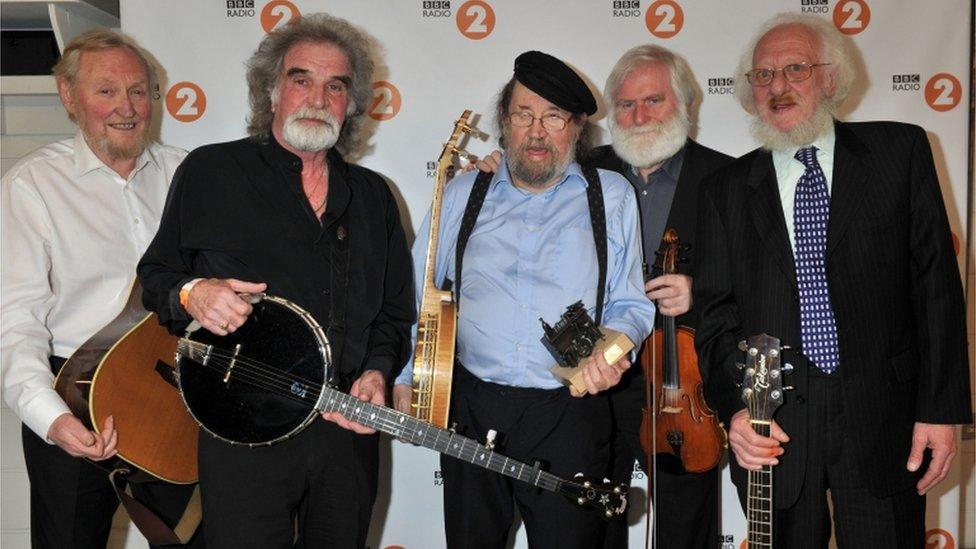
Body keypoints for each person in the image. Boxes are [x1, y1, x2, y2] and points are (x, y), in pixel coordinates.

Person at [136, 13, 414, 548]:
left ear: (351, 103)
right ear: (271, 92)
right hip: (242, 431)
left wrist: (378, 373)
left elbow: (392, 313)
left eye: (336, 85)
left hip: (345, 431)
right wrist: (196, 294)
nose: (318, 96)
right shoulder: (211, 172)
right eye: (300, 79)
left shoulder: (374, 196)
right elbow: (157, 276)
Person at [694, 12, 971, 547]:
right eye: (764, 75)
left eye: (796, 68)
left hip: (883, 417)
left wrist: (940, 410)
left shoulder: (901, 152)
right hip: (771, 424)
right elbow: (714, 317)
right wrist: (735, 408)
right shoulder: (724, 189)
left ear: (830, 78)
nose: (778, 86)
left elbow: (935, 289)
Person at [393, 50, 654, 549]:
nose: (537, 132)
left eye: (553, 117)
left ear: (577, 129)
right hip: (470, 407)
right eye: (523, 115)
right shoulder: (462, 193)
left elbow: (630, 305)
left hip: (569, 416)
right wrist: (408, 378)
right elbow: (417, 293)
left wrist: (612, 353)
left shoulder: (611, 195)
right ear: (504, 124)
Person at [1, 29, 202, 548]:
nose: (127, 108)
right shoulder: (30, 187)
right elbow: (14, 320)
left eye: (139, 90)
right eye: (106, 91)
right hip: (74, 398)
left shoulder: (190, 174)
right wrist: (51, 418)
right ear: (69, 97)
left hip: (175, 402)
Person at [589, 45, 732, 549]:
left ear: (685, 106)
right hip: (600, 375)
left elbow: (760, 281)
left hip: (683, 380)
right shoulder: (582, 172)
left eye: (653, 100)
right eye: (625, 105)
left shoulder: (731, 177)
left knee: (685, 524)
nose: (638, 116)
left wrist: (701, 290)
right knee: (593, 513)